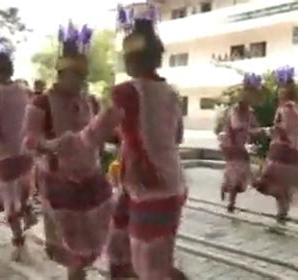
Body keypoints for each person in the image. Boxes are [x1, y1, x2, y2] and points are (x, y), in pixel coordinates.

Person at [22, 23, 118, 280]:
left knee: (96, 243)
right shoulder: (41, 102)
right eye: (75, 77)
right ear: (61, 74)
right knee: (73, 251)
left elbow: (100, 134)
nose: (80, 83)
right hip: (59, 183)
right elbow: (29, 141)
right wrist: (51, 145)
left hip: (92, 180)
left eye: (82, 77)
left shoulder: (90, 100)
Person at [108, 6, 187, 279]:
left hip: (147, 185)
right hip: (168, 183)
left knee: (146, 268)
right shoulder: (171, 93)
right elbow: (178, 136)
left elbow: (98, 132)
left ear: (130, 59)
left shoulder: (125, 92)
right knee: (150, 260)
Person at [0, 52, 36, 261]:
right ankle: (27, 210)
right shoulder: (23, 91)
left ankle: (19, 243)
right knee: (22, 195)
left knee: (9, 203)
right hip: (25, 152)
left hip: (4, 155)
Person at [253, 66, 298, 224]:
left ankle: (281, 213)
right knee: (285, 186)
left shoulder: (282, 110)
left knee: (270, 183)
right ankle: (282, 213)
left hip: (280, 152)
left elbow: (278, 129)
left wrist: (265, 131)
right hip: (295, 153)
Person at [219, 73, 263, 213]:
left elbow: (255, 126)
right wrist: (250, 129)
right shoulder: (235, 110)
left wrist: (263, 130)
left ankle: (228, 192)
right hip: (231, 145)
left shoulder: (249, 112)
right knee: (238, 171)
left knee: (239, 173)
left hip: (239, 145)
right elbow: (236, 125)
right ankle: (229, 196)